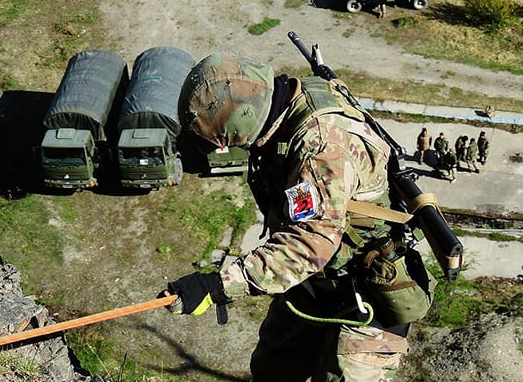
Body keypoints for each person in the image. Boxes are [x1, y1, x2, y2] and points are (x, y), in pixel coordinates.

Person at [163, 54, 433, 381]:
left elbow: (309, 243)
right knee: (273, 368)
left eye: (225, 140)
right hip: (316, 284)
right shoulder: (287, 102)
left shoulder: (320, 147)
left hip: (365, 299)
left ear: (245, 118)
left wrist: (218, 285)